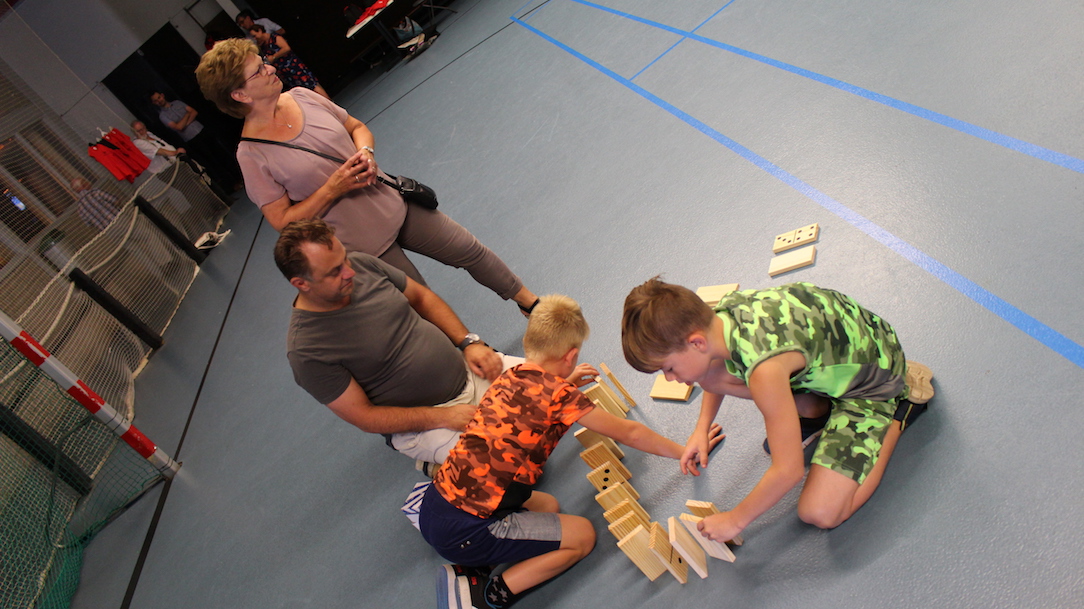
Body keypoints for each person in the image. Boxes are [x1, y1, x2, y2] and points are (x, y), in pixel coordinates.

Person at [195, 38, 540, 316]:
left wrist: (366, 152)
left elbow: (356, 127)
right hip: (363, 246)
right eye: (258, 70)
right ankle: (474, 359)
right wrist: (333, 189)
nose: (270, 68)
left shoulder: (302, 97)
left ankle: (532, 305)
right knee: (424, 306)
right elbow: (282, 221)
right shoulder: (252, 155)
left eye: (264, 62)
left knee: (469, 250)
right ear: (239, 95)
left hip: (393, 203)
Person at [421, 294, 723, 609]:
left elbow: (535, 400)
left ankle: (481, 556)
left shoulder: (511, 374)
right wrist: (683, 450)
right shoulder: (560, 396)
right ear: (572, 356)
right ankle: (490, 594)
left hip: (437, 504)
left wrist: (564, 382)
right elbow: (630, 432)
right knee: (583, 536)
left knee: (549, 505)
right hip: (467, 530)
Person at [620, 279, 935, 542]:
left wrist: (735, 520)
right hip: (858, 342)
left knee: (819, 512)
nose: (670, 378)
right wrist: (701, 427)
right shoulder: (723, 313)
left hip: (876, 381)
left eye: (668, 368)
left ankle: (900, 409)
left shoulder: (765, 371)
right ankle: (818, 411)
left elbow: (789, 471)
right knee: (712, 375)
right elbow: (711, 373)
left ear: (697, 343)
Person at [275, 219, 523, 466]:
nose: (350, 272)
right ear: (301, 284)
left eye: (345, 259)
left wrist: (468, 343)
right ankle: (434, 466)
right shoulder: (306, 350)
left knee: (547, 388)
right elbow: (364, 417)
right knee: (509, 465)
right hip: (428, 425)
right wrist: (443, 416)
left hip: (470, 373)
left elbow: (422, 298)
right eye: (334, 271)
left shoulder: (362, 264)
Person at [148, 90, 242, 192]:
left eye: (159, 97)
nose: (159, 101)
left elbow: (194, 112)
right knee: (212, 161)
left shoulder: (177, 103)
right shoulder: (163, 116)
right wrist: (187, 115)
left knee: (221, 153)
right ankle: (232, 184)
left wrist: (184, 123)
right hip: (191, 139)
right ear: (154, 103)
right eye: (156, 100)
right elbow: (178, 127)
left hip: (201, 130)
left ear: (162, 95)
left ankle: (240, 175)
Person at [248, 24, 329, 99]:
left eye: (255, 36)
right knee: (303, 91)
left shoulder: (274, 37)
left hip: (294, 66)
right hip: (285, 72)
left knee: (312, 84)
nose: (255, 38)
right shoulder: (263, 46)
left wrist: (274, 57)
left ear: (260, 31)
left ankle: (329, 102)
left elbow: (286, 48)